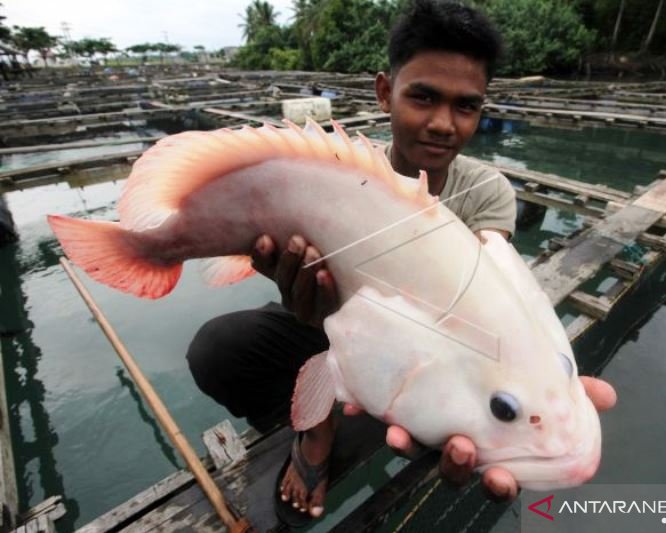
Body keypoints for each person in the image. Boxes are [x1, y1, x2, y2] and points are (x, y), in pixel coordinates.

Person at [187, 0, 616, 524]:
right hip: (320, 316)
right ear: (384, 92)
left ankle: (342, 420)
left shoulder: (488, 192)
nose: (442, 123)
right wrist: (291, 283)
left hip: (420, 343)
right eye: (423, 97)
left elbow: (490, 308)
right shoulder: (337, 173)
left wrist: (542, 381)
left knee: (443, 415)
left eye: (465, 106)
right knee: (218, 347)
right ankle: (314, 423)